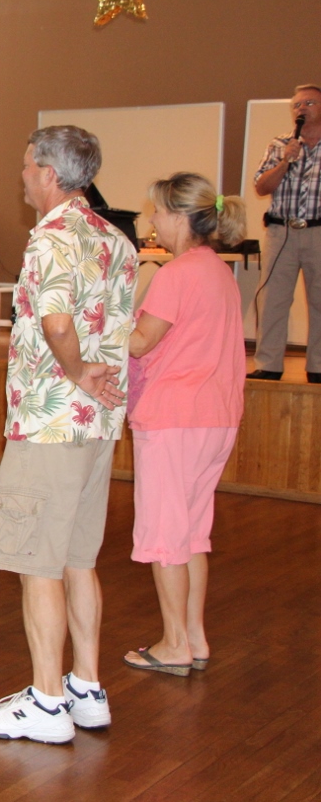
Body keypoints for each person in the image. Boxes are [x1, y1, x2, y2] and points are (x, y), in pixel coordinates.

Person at [0, 126, 136, 745]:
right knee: (76, 560)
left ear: (47, 172)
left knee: (35, 561)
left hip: (48, 419)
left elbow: (58, 318)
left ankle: (45, 701)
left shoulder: (53, 238)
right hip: (96, 425)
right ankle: (86, 688)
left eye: (25, 166)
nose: (21, 176)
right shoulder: (115, 238)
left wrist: (72, 369)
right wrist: (92, 373)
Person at [122, 173, 246, 676]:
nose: (152, 220)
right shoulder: (217, 270)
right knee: (192, 532)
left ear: (178, 216)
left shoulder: (176, 274)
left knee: (165, 533)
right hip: (215, 415)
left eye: (156, 212)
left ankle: (173, 643)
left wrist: (100, 326)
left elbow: (140, 342)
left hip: (175, 415)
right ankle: (192, 636)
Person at [249, 84, 321, 383]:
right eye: (296, 105)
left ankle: (318, 368)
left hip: (318, 232)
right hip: (281, 232)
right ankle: (269, 364)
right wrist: (285, 162)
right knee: (273, 301)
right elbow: (261, 187)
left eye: (309, 103)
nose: (301, 109)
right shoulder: (280, 144)